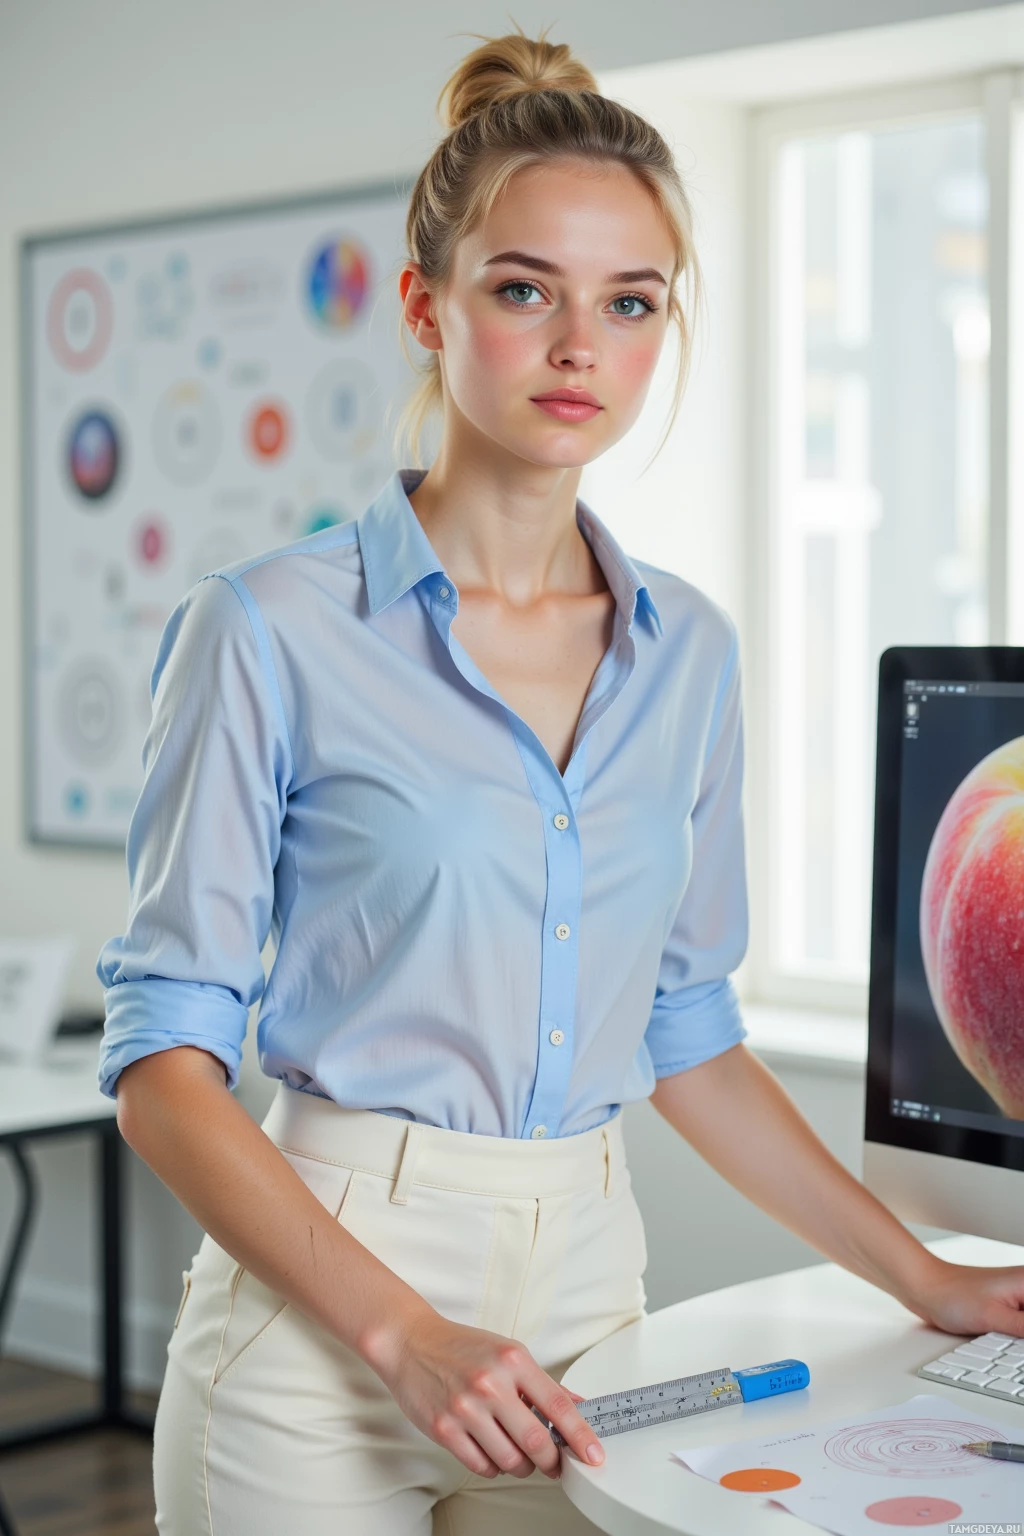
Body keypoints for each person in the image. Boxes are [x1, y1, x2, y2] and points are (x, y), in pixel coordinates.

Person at [96, 22, 1024, 1536]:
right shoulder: (267, 630)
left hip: (595, 1301)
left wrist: (923, 1275)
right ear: (427, 306)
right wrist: (406, 1333)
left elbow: (685, 1034)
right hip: (321, 1330)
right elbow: (162, 1075)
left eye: (631, 302)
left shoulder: (690, 656)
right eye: (525, 289)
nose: (581, 345)